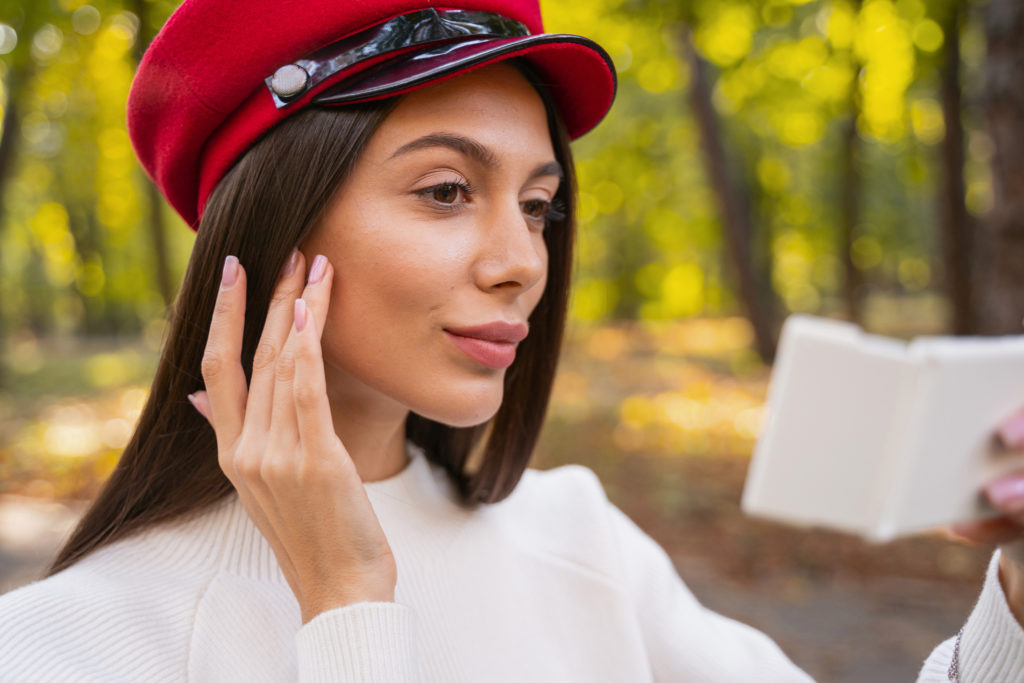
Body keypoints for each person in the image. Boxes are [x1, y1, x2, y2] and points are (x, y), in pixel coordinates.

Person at [1, 0, 1023, 680]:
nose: (522, 260)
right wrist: (349, 604)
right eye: (447, 191)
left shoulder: (580, 539)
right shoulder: (63, 642)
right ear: (274, 233)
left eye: (537, 206)